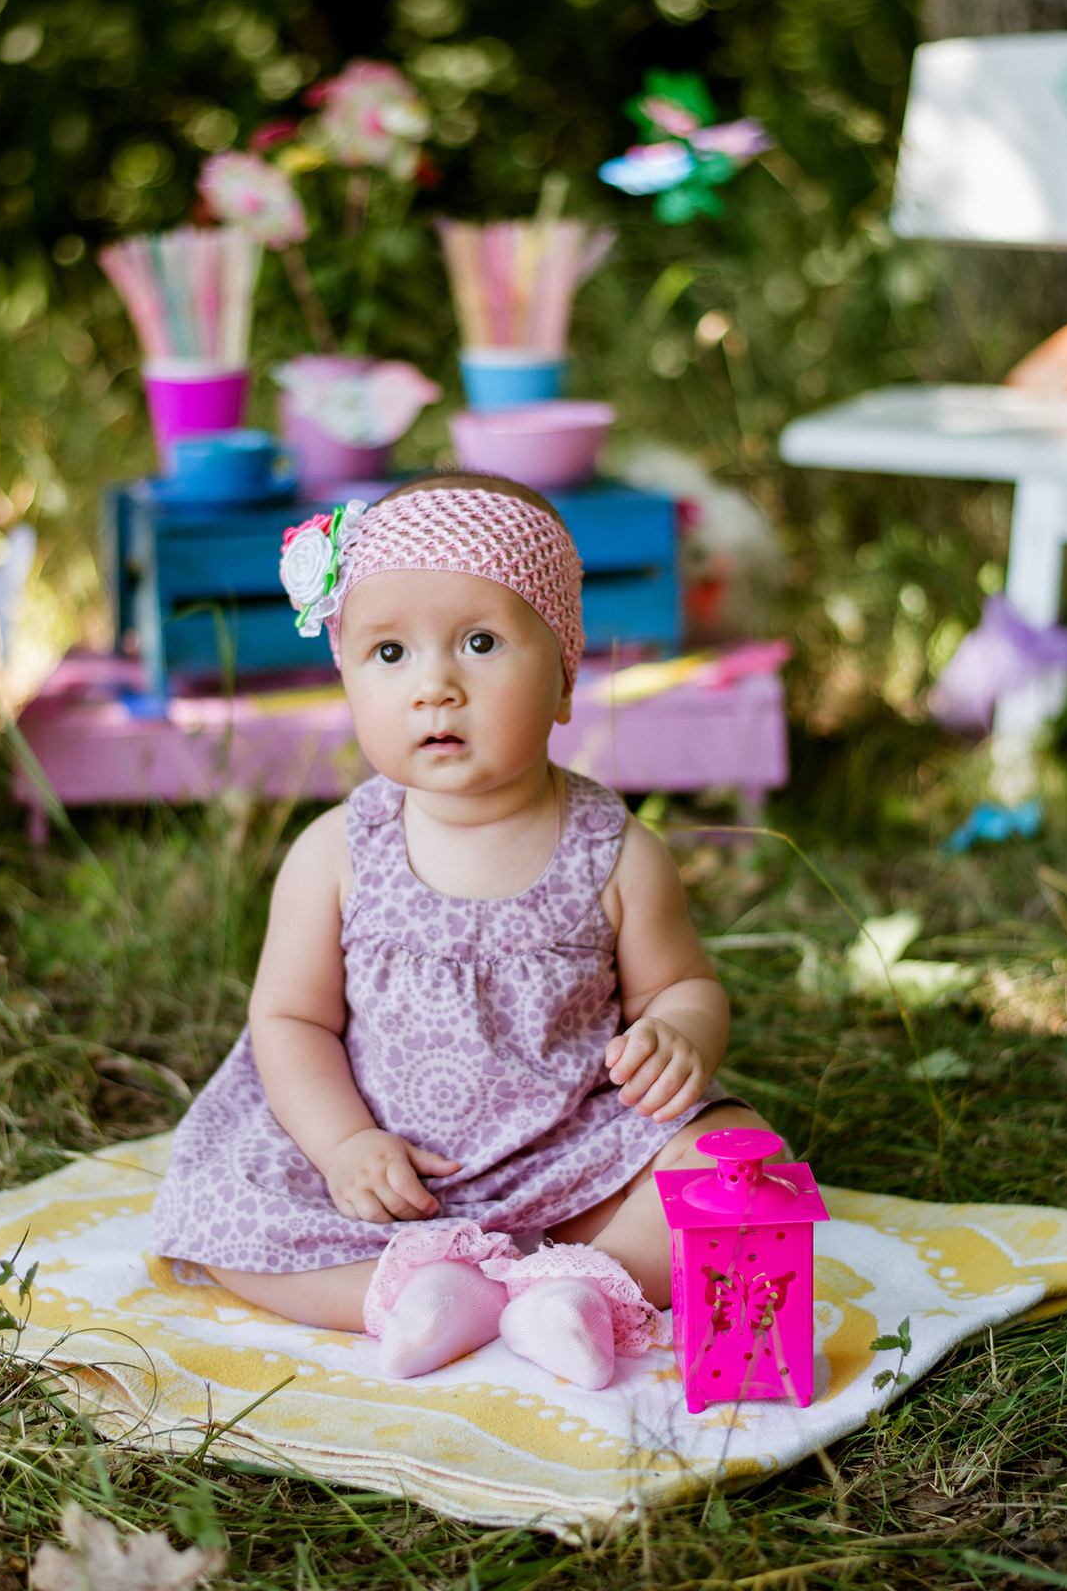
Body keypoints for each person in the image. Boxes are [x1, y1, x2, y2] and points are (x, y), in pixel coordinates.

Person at [149, 474, 780, 1389]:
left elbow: (681, 986)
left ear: (564, 676)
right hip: (385, 1174)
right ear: (347, 672)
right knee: (220, 1210)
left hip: (573, 1160)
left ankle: (577, 1290)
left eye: (480, 643)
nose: (434, 686)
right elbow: (289, 1023)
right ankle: (419, 1290)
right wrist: (342, 1145)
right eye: (390, 652)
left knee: (738, 1158)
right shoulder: (336, 854)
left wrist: (680, 1032)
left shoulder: (614, 852)